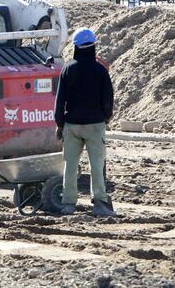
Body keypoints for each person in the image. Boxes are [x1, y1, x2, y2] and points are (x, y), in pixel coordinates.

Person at [55, 27, 116, 217]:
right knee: (97, 166)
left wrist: (60, 124)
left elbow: (59, 100)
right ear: (93, 46)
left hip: (72, 125)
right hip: (95, 125)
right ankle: (99, 203)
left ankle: (68, 204)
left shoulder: (68, 69)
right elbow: (108, 99)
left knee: (70, 166)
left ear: (75, 47)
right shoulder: (100, 71)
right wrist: (105, 117)